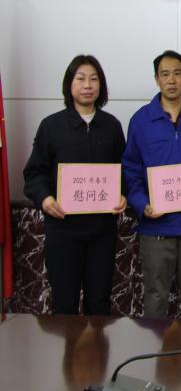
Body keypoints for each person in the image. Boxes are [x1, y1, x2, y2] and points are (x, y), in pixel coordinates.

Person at [23, 54, 127, 315]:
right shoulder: (51, 126)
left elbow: (124, 171)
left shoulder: (111, 126)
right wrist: (45, 199)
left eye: (94, 79)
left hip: (102, 231)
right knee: (64, 304)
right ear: (69, 84)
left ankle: (99, 345)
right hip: (63, 230)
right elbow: (34, 173)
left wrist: (123, 194)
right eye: (80, 79)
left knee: (99, 303)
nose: (87, 85)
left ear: (101, 85)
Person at [122, 50, 181, 319]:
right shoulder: (141, 120)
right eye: (165, 74)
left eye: (177, 73)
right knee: (155, 297)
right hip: (156, 227)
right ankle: (156, 347)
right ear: (157, 79)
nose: (172, 80)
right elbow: (130, 168)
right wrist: (142, 204)